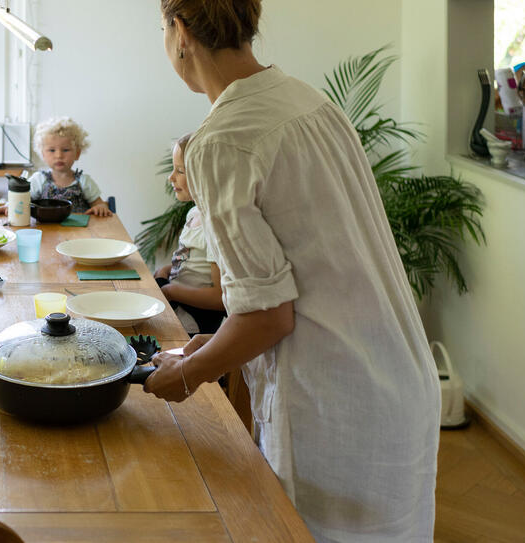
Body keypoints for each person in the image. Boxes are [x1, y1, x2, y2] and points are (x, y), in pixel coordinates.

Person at [144, 1, 440, 541]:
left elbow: (268, 318)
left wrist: (188, 375)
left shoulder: (220, 140)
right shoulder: (306, 100)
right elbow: (315, 269)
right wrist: (202, 347)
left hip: (332, 402)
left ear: (180, 31)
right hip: (398, 377)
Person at [154, 133, 226, 335]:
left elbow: (219, 297)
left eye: (180, 171)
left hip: (195, 319)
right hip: (179, 300)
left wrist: (171, 291)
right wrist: (168, 269)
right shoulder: (193, 213)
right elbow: (195, 263)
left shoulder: (213, 226)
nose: (171, 177)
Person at [0, 117, 113, 217]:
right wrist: (9, 206)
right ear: (43, 154)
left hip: (78, 236)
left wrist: (100, 208)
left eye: (66, 150)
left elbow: (100, 204)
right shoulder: (39, 180)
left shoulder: (84, 181)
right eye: (52, 150)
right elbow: (20, 200)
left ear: (77, 153)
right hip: (46, 234)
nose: (59, 155)